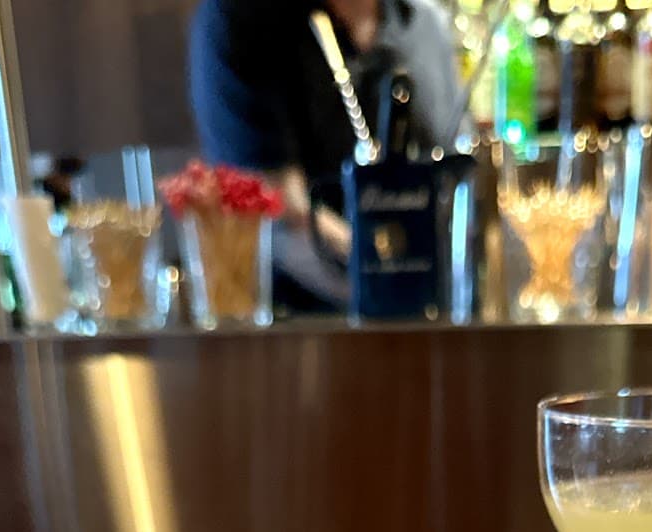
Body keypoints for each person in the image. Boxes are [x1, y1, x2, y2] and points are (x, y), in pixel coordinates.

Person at [188, 0, 461, 307]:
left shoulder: (425, 24)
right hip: (306, 321)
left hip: (436, 313)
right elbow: (278, 211)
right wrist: (389, 278)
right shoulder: (242, 17)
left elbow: (458, 181)